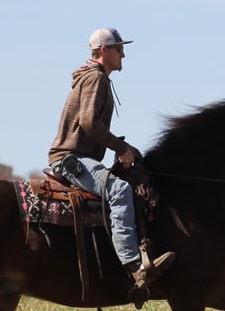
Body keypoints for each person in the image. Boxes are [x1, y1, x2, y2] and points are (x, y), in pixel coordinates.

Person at [48, 28, 175, 291]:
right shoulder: (96, 79)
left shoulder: (93, 77)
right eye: (119, 49)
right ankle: (134, 266)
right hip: (72, 158)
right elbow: (88, 122)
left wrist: (123, 147)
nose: (123, 55)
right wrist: (120, 148)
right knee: (119, 190)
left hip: (78, 156)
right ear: (104, 51)